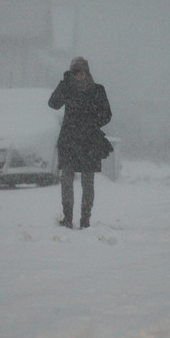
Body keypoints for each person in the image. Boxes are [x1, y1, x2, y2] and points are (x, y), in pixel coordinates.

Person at [48, 57, 113, 229]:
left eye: (81, 71)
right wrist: (63, 83)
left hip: (89, 141)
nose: (78, 75)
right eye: (75, 71)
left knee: (87, 181)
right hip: (69, 140)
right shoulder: (67, 88)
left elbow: (107, 114)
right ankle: (67, 218)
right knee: (66, 180)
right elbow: (53, 104)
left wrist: (91, 124)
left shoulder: (97, 90)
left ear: (87, 71)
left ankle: (85, 219)